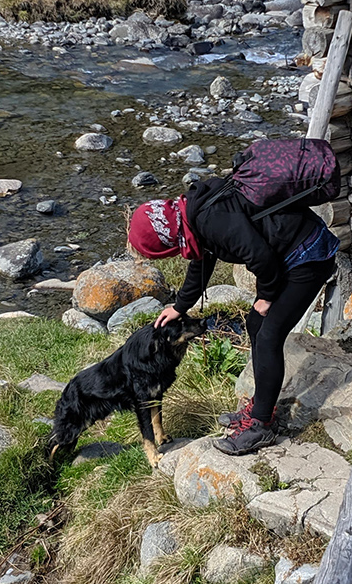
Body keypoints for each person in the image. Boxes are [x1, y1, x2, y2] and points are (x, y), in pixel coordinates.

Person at [126, 178, 339, 454]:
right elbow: (204, 258)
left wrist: (266, 296)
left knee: (268, 336)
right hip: (291, 251)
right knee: (255, 324)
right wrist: (180, 306)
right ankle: (261, 405)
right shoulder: (191, 212)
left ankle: (261, 426)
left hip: (308, 255)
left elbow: (260, 257)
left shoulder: (208, 220)